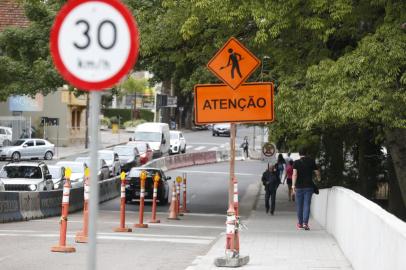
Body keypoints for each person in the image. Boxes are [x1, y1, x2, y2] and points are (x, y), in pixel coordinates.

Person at [292, 148, 321, 230]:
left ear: (299, 154)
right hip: (309, 187)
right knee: (307, 205)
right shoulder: (311, 161)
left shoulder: (296, 162)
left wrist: (293, 186)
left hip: (299, 187)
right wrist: (319, 179)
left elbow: (294, 174)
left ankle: (300, 224)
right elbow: (317, 172)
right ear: (307, 153)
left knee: (299, 206)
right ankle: (305, 223)